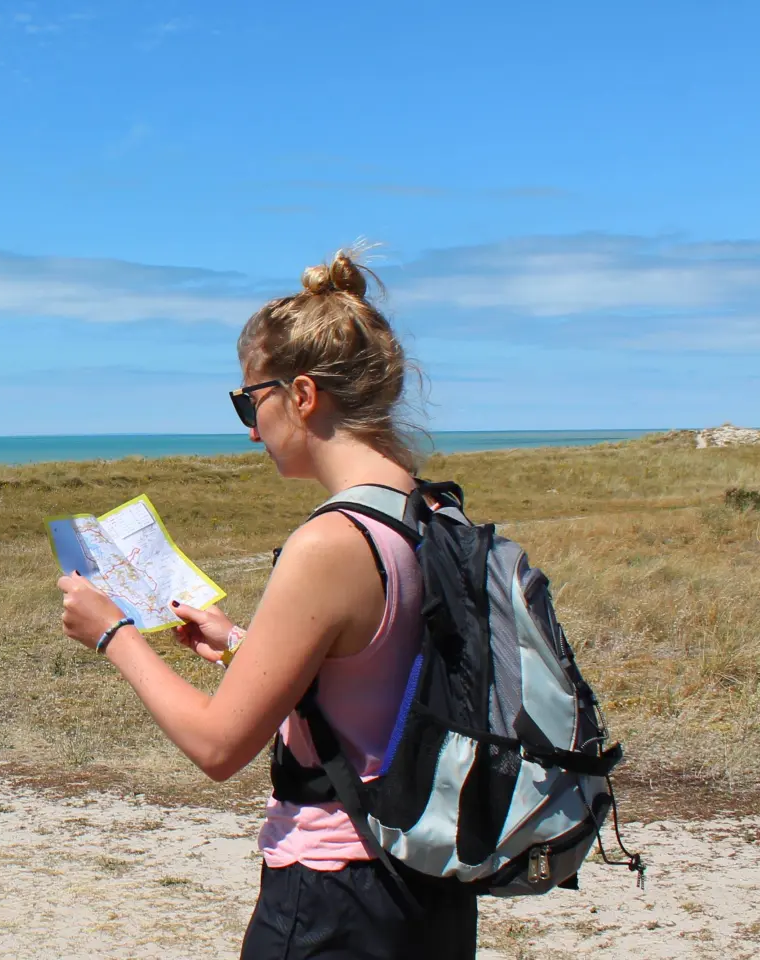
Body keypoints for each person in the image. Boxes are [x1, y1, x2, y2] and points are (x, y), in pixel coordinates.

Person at [54, 247, 478, 959]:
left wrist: (113, 634)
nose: (251, 428)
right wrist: (237, 644)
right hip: (429, 883)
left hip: (335, 892)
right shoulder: (433, 512)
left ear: (302, 396)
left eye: (251, 401)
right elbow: (375, 683)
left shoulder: (332, 542)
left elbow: (219, 747)